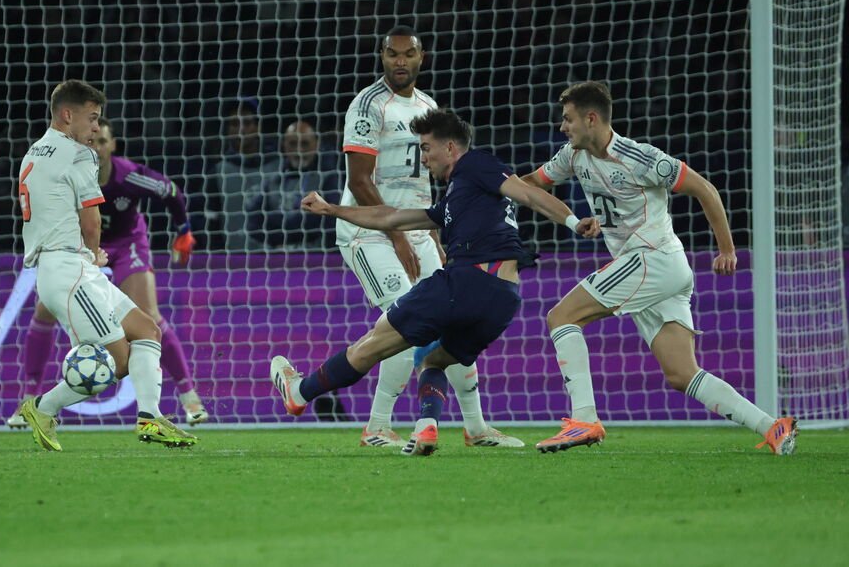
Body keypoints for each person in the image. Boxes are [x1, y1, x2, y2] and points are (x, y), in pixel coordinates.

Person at [270, 108, 599, 455]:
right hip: (503, 300)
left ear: (452, 147)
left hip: (467, 281)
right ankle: (428, 426)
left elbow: (529, 194)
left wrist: (573, 222)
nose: (423, 158)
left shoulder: (475, 165)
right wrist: (334, 209)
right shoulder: (458, 196)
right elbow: (392, 216)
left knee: (374, 342)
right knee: (434, 361)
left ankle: (300, 393)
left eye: (426, 148)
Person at [522, 80, 798, 455]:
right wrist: (503, 192)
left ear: (591, 119)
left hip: (653, 260)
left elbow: (705, 189)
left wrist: (726, 249)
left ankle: (584, 419)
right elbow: (531, 185)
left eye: (568, 119)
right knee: (681, 373)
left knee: (561, 317)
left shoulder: (641, 158)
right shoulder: (572, 156)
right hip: (658, 270)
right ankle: (772, 427)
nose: (562, 127)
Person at [335, 25, 522, 448]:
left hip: (418, 229)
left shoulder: (428, 106)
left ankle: (475, 428)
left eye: (409, 54)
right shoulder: (367, 105)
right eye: (392, 54)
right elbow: (360, 181)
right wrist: (399, 238)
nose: (400, 61)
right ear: (381, 56)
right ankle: (377, 426)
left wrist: (434, 236)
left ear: (422, 58)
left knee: (452, 323)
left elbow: (432, 187)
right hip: (369, 232)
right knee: (407, 322)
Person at [15, 79, 196, 451]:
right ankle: (44, 407)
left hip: (62, 267)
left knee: (147, 329)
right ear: (68, 115)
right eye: (93, 118)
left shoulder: (34, 151)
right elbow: (92, 220)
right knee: (119, 360)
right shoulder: (79, 154)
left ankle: (151, 418)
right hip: (69, 270)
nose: (97, 129)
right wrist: (94, 253)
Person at [247, 119, 341, 250]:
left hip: (316, 260)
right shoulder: (272, 179)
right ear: (284, 145)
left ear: (317, 144)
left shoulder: (329, 178)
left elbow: (327, 224)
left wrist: (275, 222)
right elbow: (253, 223)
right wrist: (296, 223)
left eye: (304, 143)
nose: (298, 151)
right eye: (292, 143)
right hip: (276, 260)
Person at [206, 99, 279, 251]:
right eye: (234, 124)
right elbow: (212, 221)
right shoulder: (218, 171)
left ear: (257, 126)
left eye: (246, 123)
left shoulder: (278, 165)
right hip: (233, 258)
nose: (241, 129)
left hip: (275, 258)